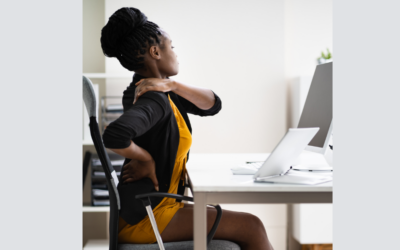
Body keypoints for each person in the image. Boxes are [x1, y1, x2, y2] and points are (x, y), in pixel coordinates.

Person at [100, 7, 274, 250]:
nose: (175, 53)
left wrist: (173, 84)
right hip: (148, 215)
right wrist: (145, 158)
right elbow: (114, 135)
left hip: (158, 204)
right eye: (172, 47)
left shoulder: (159, 91)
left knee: (248, 227)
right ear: (155, 52)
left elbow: (213, 104)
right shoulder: (152, 99)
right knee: (252, 227)